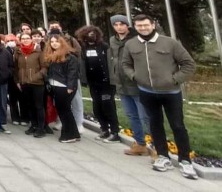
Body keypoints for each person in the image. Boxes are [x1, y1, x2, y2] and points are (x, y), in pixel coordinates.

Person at [122, 14, 197, 179]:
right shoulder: (131, 44)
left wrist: (174, 80)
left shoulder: (170, 43)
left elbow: (189, 64)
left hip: (170, 93)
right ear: (135, 27)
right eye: (139, 26)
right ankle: (163, 156)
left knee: (178, 126)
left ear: (153, 25)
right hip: (147, 92)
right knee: (155, 125)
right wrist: (134, 76)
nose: (143, 28)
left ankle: (185, 160)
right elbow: (126, 64)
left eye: (146, 25)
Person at [109, 15, 151, 156]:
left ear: (127, 25)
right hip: (121, 84)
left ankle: (158, 146)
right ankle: (140, 144)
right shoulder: (113, 40)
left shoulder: (136, 39)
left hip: (137, 83)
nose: (119, 27)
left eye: (122, 24)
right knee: (132, 116)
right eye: (116, 24)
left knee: (146, 117)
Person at [76, 25, 120, 143]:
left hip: (106, 83)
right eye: (88, 33)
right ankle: (104, 129)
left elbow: (111, 64)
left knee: (108, 106)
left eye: (93, 33)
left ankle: (115, 132)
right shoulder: (84, 48)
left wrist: (113, 80)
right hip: (93, 83)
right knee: (97, 107)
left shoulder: (104, 46)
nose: (91, 35)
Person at [44, 35, 81, 144]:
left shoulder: (70, 57)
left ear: (62, 43)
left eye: (57, 41)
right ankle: (74, 133)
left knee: (65, 111)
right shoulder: (52, 55)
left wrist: (70, 87)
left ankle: (69, 135)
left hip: (64, 87)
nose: (54, 43)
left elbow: (73, 73)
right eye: (52, 42)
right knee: (63, 110)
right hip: (55, 86)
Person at [49, 20, 84, 132]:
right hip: (56, 79)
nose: (55, 28)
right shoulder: (48, 41)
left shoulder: (70, 40)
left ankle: (78, 123)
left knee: (76, 101)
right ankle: (61, 121)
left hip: (70, 77)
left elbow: (78, 54)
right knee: (59, 102)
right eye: (52, 26)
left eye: (56, 26)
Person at [14, 32, 46, 138]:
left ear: (31, 39)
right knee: (30, 106)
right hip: (24, 83)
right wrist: (18, 81)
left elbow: (44, 67)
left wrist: (35, 77)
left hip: (37, 83)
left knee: (39, 106)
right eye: (23, 38)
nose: (25, 40)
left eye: (27, 38)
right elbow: (16, 68)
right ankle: (33, 125)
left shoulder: (38, 51)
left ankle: (41, 128)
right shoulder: (18, 52)